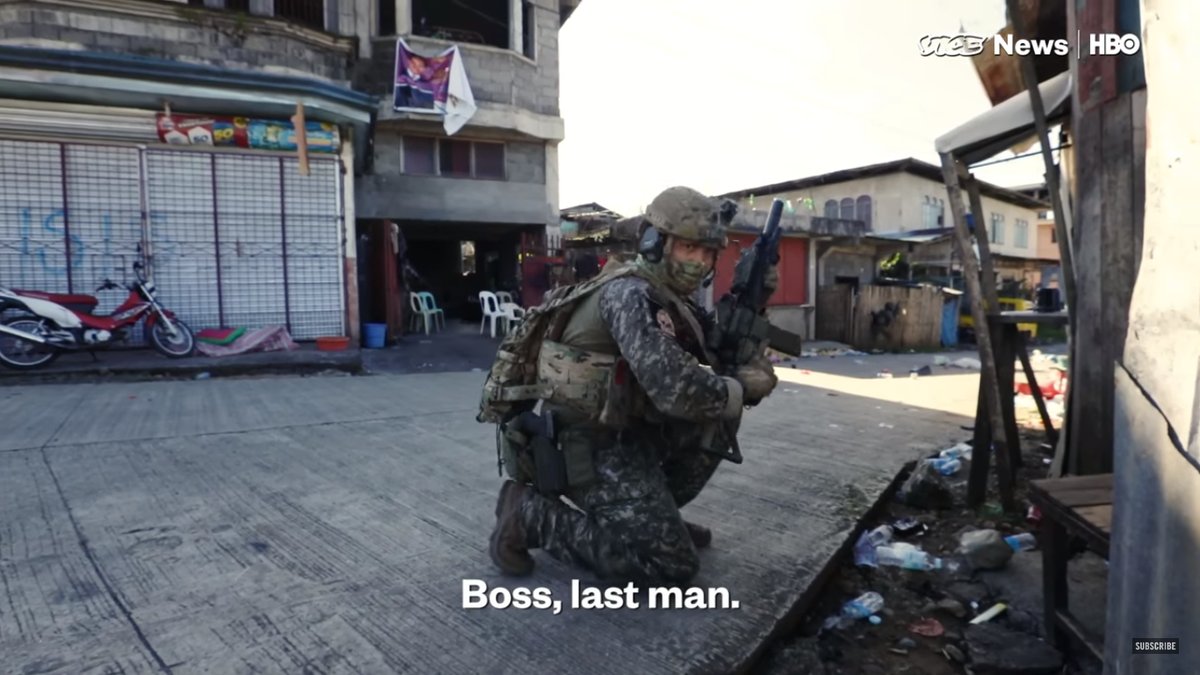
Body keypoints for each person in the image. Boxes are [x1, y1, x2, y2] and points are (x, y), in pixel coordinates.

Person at [485, 186, 779, 585]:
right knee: (670, 567)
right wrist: (739, 389)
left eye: (708, 253)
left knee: (718, 420)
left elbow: (719, 353)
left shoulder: (672, 299)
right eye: (689, 247)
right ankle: (530, 515)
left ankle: (656, 522)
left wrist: (756, 299)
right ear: (656, 242)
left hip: (626, 434)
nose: (700, 261)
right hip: (587, 446)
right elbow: (674, 387)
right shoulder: (629, 294)